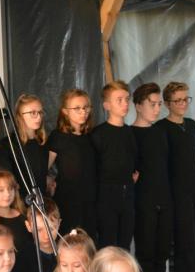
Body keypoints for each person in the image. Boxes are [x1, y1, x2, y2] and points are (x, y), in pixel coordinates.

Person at [158, 82, 195, 272]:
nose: (182, 103)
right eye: (177, 100)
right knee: (185, 242)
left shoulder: (193, 125)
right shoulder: (161, 129)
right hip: (178, 194)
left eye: (185, 99)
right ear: (167, 103)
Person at [131, 84, 180, 272]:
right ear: (138, 105)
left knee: (162, 251)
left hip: (164, 198)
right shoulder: (131, 134)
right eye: (152, 104)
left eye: (159, 104)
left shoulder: (160, 132)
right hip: (143, 201)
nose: (157, 109)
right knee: (146, 251)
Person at [90, 81, 137, 250]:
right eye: (119, 100)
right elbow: (94, 167)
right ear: (107, 105)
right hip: (106, 195)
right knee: (108, 243)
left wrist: (132, 177)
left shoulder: (130, 132)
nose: (125, 104)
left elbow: (133, 160)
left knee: (125, 243)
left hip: (128, 194)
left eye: (127, 99)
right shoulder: (98, 134)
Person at [48, 89, 97, 237]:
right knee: (69, 238)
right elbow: (45, 166)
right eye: (77, 108)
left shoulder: (92, 136)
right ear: (65, 111)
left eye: (85, 107)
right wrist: (48, 180)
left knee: (89, 238)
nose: (83, 112)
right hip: (67, 199)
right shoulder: (58, 137)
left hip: (90, 198)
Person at [11, 94, 52, 198]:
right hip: (20, 201)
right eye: (33, 113)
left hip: (41, 200)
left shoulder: (42, 142)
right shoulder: (10, 143)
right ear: (20, 115)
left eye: (40, 112)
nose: (38, 117)